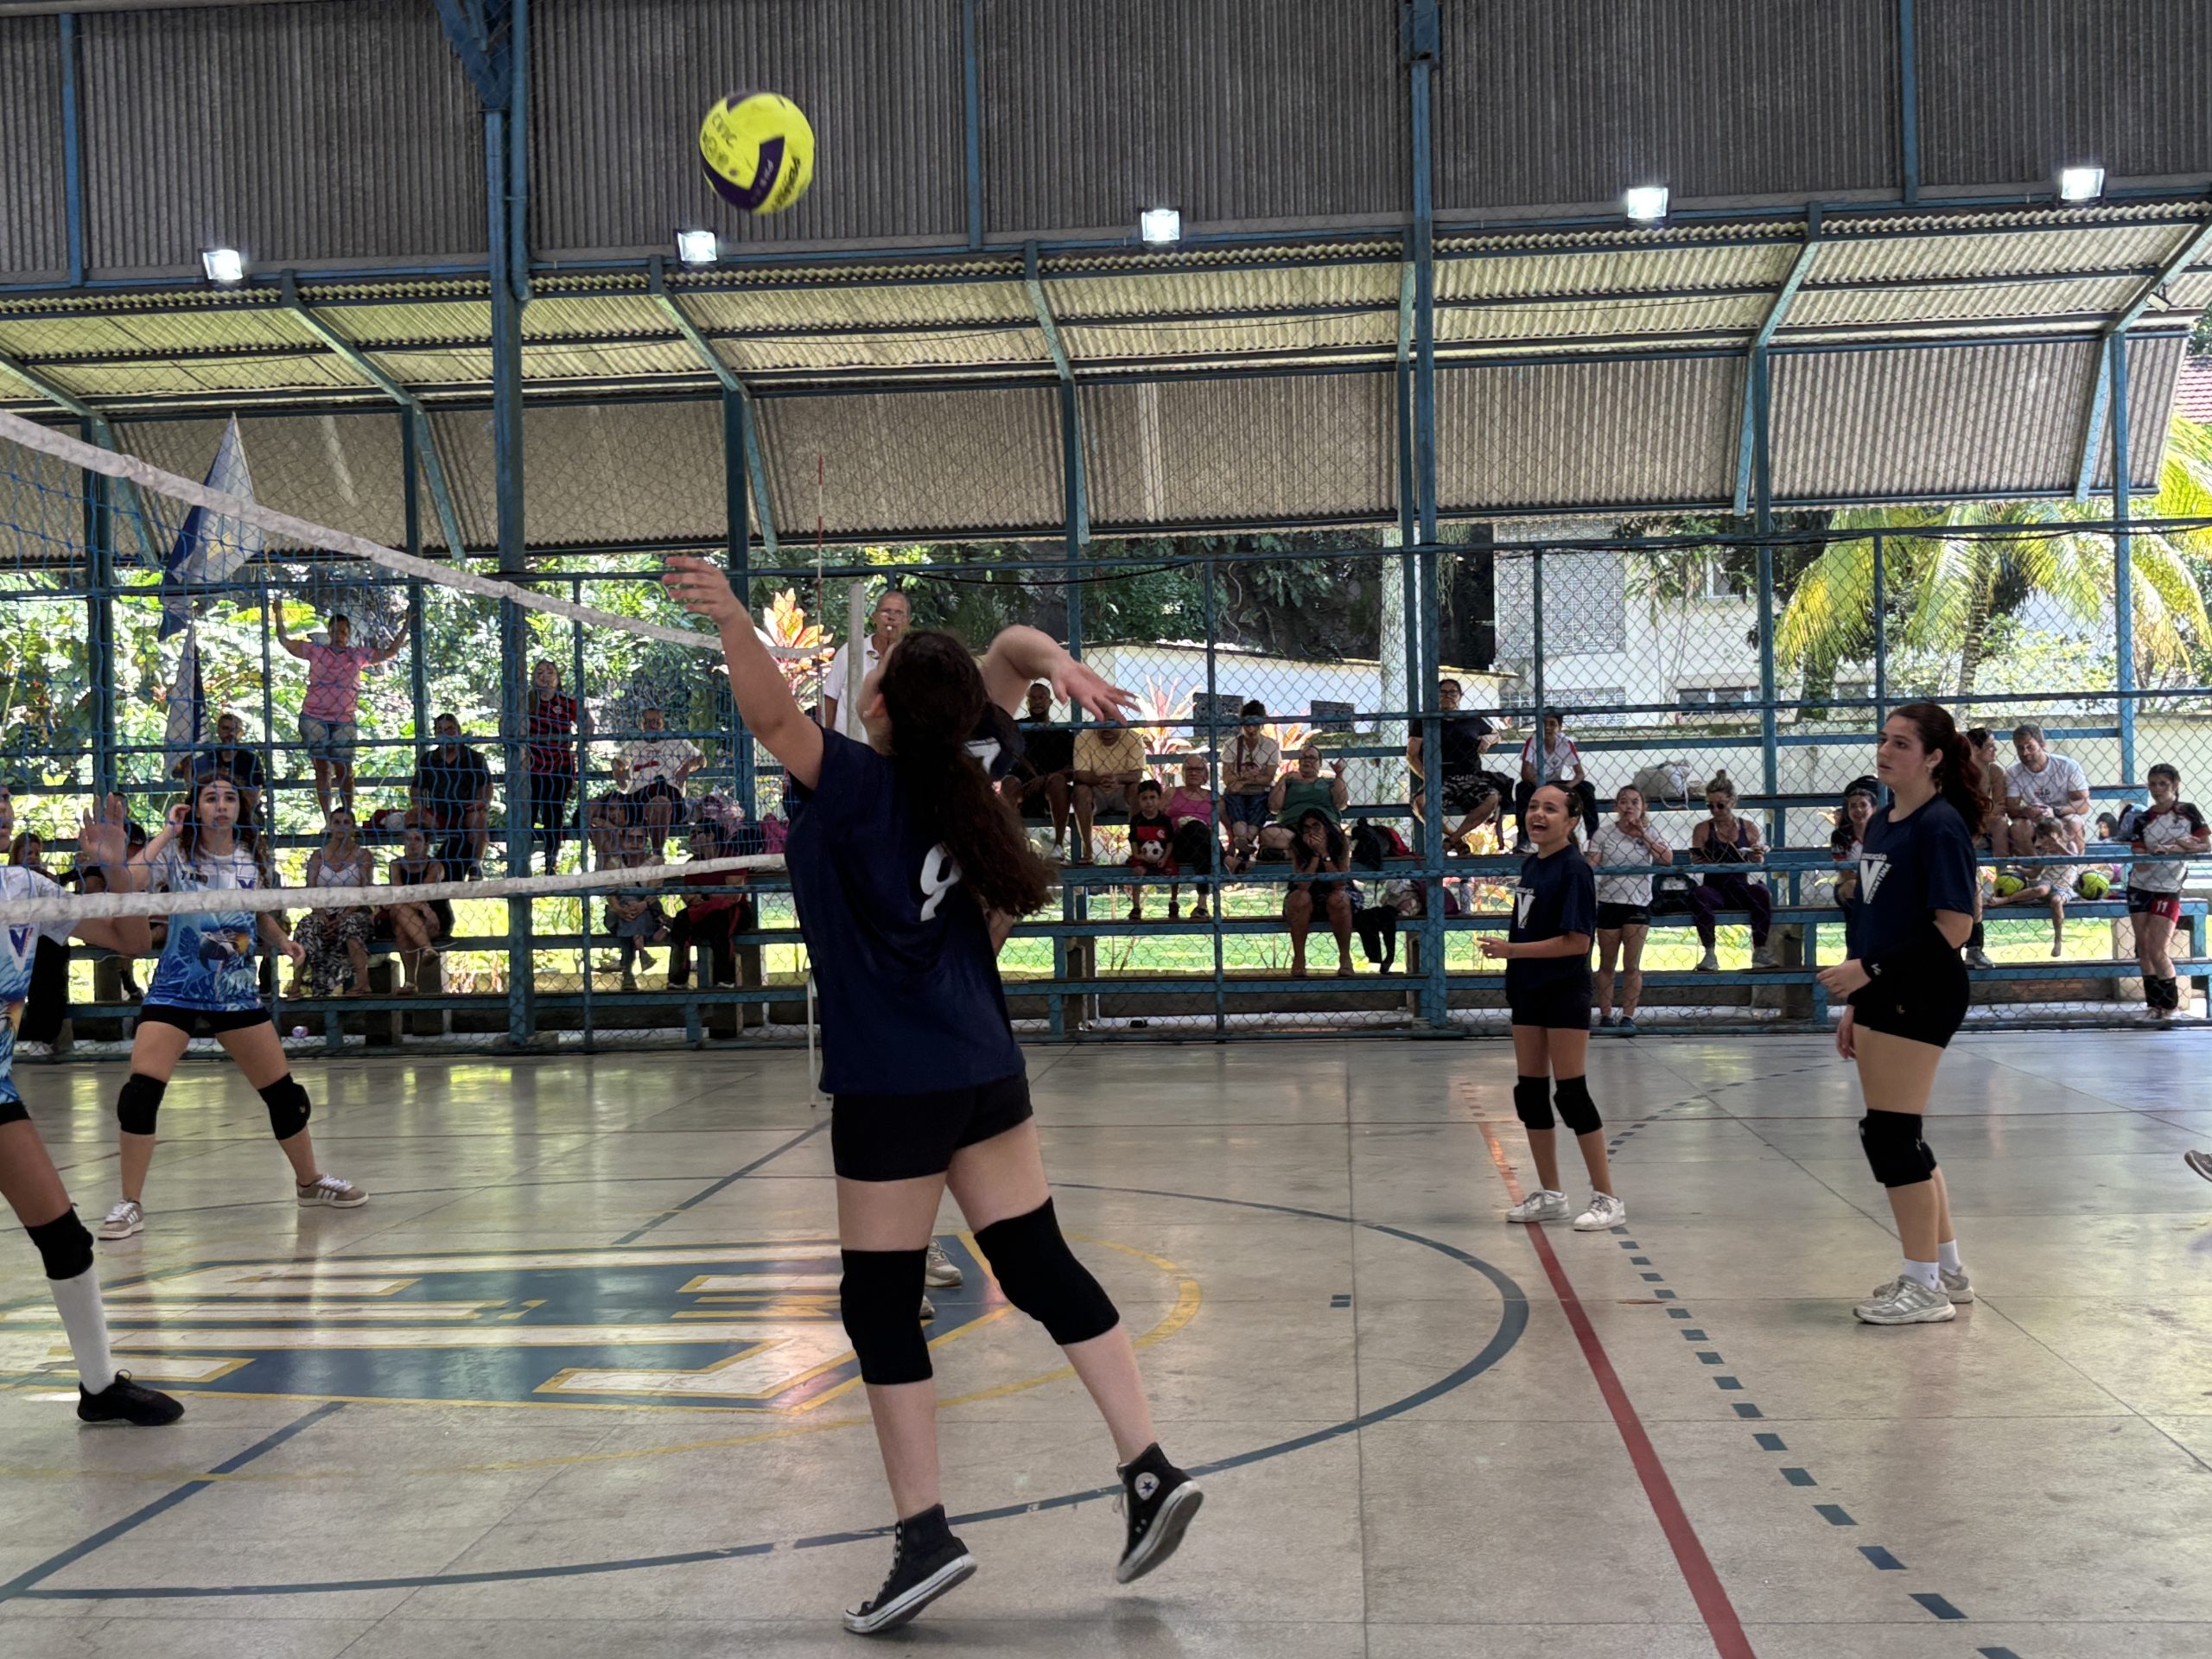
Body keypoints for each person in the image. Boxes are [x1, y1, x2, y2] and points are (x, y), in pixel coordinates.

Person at [663, 554, 1201, 1633]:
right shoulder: (966, 776)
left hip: (893, 1079)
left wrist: (731, 619)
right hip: (982, 1066)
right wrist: (1063, 666)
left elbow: (770, 716)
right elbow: (1009, 652)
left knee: (878, 1304)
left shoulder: (857, 786)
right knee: (1038, 1265)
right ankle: (1146, 1466)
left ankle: (924, 1534)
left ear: (878, 706)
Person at [95, 776, 366, 1243]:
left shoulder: (250, 856)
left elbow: (255, 912)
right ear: (196, 808)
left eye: (228, 798)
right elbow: (129, 880)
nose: (220, 805)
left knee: (285, 1096)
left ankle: (309, 1182)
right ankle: (129, 1203)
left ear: (240, 808)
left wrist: (282, 941)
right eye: (210, 798)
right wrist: (167, 831)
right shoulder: (178, 854)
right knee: (139, 1095)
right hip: (177, 989)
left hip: (235, 992)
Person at [1, 814, 185, 1425]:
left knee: (65, 1239)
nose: (2, 809)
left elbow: (132, 942)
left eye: (5, 797)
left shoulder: (26, 887)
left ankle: (100, 1389)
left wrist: (114, 870)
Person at [1814, 702, 1985, 1326]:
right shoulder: (1883, 822)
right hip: (1884, 989)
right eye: (1883, 740)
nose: (1885, 751)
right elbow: (1872, 916)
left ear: (1934, 757)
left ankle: (1923, 1286)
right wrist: (1860, 998)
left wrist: (1871, 972)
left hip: (1923, 989)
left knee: (1890, 1135)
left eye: (1902, 744)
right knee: (1898, 1132)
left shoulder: (1939, 827)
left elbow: (1957, 926)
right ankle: (1947, 1271)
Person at [1481, 781, 1623, 1230]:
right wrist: (1515, 968)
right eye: (1533, 807)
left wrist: (1512, 951)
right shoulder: (1531, 865)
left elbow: (1577, 942)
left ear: (1572, 820)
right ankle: (1550, 1194)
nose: (1538, 815)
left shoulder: (1574, 869)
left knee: (1571, 1093)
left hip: (1563, 990)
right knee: (1530, 1092)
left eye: (1551, 809)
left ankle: (1607, 1198)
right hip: (1528, 989)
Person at [275, 607, 406, 820]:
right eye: (335, 631)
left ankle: (347, 816)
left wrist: (407, 625)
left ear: (349, 634)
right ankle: (329, 819)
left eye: (343, 632)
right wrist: (278, 613)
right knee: (322, 769)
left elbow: (390, 652)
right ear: (329, 632)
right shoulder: (316, 651)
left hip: (344, 719)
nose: (339, 636)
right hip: (314, 717)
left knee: (344, 768)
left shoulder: (357, 655)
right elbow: (285, 641)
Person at [1587, 784, 1670, 1035]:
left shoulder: (1650, 832)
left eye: (1635, 802)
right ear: (1616, 806)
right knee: (1607, 963)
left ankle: (1628, 1016)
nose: (1629, 807)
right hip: (1610, 902)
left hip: (1637, 903)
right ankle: (1606, 1014)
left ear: (1643, 807)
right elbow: (1591, 864)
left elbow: (1666, 859)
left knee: (1631, 964)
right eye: (1623, 802)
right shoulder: (1604, 833)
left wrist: (1642, 834)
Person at [2126, 764, 2208, 1018]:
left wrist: (2177, 848)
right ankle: (2154, 1005)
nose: (2157, 789)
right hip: (2140, 886)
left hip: (2168, 887)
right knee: (2143, 948)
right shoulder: (2142, 818)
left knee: (2158, 948)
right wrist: (2169, 847)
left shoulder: (2187, 813)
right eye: (2153, 784)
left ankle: (2171, 1005)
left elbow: (2206, 844)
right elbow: (2141, 862)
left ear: (2175, 785)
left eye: (2163, 784)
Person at [1688, 772, 1776, 971]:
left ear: (1732, 802)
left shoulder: (1748, 827)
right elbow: (1696, 858)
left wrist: (1756, 854)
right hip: (1715, 889)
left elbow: (1757, 860)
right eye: (1710, 806)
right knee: (1700, 894)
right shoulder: (1703, 829)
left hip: (1739, 887)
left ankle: (1760, 951)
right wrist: (1709, 860)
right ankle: (1710, 954)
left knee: (1762, 892)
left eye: (1720, 805)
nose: (1715, 810)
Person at [594, 705, 703, 861]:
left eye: (656, 722)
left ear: (663, 723)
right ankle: (608, 861)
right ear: (642, 724)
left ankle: (657, 856)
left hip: (669, 799)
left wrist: (686, 767)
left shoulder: (677, 741)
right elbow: (618, 762)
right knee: (594, 805)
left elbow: (701, 759)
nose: (652, 725)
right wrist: (618, 770)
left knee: (660, 803)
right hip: (638, 799)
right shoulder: (634, 744)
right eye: (648, 722)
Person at [1409, 678, 1509, 851]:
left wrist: (1489, 739)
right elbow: (1412, 754)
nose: (1448, 696)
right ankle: (1454, 838)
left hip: (1470, 777)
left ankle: (1452, 840)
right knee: (1421, 803)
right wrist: (1427, 777)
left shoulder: (1471, 719)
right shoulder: (1425, 721)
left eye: (1453, 692)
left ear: (1460, 696)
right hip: (1440, 777)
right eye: (1443, 692)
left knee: (1492, 798)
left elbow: (1496, 734)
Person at [290, 810, 376, 999]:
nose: (341, 826)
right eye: (336, 822)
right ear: (329, 826)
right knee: (306, 926)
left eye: (346, 822)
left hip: (354, 910)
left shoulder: (363, 855)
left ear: (353, 828)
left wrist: (343, 916)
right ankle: (296, 984)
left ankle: (363, 983)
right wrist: (322, 915)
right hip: (323, 911)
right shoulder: (318, 856)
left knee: (351, 924)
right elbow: (310, 891)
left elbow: (365, 891)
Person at [668, 822, 753, 989]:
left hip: (733, 911)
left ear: (710, 836)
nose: (691, 838)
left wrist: (705, 896)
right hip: (704, 911)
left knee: (718, 920)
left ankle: (725, 979)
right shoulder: (693, 863)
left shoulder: (732, 859)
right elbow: (689, 896)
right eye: (691, 834)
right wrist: (711, 897)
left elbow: (733, 896)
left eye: (696, 834)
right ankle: (678, 979)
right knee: (681, 920)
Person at [410, 714, 494, 880]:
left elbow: (487, 787)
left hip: (467, 811)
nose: (445, 734)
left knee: (479, 820)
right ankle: (417, 865)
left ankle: (476, 866)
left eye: (450, 730)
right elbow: (416, 788)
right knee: (410, 818)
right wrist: (417, 807)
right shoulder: (428, 759)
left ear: (459, 732)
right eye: (440, 730)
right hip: (438, 813)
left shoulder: (474, 757)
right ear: (435, 734)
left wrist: (481, 803)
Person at [522, 659, 588, 874]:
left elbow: (587, 724)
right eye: (540, 672)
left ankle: (551, 863)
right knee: (528, 814)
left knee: (553, 814)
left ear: (557, 678)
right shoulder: (526, 702)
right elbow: (506, 726)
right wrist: (521, 751)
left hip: (560, 766)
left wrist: (580, 747)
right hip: (532, 767)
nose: (545, 676)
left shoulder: (567, 702)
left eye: (550, 672)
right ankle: (522, 863)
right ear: (533, 678)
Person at [822, 589, 913, 741]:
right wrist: (827, 741)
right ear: (874, 617)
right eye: (886, 611)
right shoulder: (850, 651)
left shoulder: (911, 658)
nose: (891, 617)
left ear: (907, 622)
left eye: (899, 613)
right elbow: (830, 698)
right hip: (849, 745)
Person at [378, 824, 449, 995]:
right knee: (399, 906)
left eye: (417, 839)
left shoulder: (435, 866)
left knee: (401, 926)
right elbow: (399, 893)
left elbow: (422, 894)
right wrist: (423, 908)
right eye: (408, 839)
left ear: (426, 844)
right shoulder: (396, 865)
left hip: (433, 918)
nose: (412, 843)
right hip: (419, 911)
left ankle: (410, 982)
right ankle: (427, 949)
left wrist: (424, 908)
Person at [1286, 810, 1357, 978]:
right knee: (1300, 898)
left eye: (1316, 827)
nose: (1311, 832)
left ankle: (1345, 958)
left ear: (1326, 828)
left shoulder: (1340, 841)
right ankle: (1299, 959)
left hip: (1336, 892)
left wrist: (1325, 854)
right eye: (1306, 828)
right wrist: (1315, 855)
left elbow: (1340, 883)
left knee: (1338, 898)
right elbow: (1303, 885)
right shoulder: (1297, 845)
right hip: (1307, 893)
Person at [1986, 818, 2074, 957]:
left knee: (2056, 901)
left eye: (2049, 837)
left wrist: (2059, 847)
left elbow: (2075, 860)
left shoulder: (2070, 845)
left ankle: (2058, 940)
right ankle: (2006, 900)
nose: (2045, 842)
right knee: (2041, 890)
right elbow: (2034, 873)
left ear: (2059, 833)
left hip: (2064, 886)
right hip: (2047, 883)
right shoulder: (2045, 853)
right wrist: (2018, 868)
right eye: (2043, 838)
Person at [1070, 715, 1148, 866]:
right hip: (1095, 789)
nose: (1107, 730)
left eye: (1111, 724)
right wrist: (1100, 780)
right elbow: (1080, 774)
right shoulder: (1084, 737)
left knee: (1136, 789)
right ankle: (1088, 851)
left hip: (1123, 789)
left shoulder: (1133, 737)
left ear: (1120, 723)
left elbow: (1137, 774)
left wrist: (1116, 779)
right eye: (1102, 724)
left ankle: (1136, 849)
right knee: (1080, 791)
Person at [1005, 682, 1073, 852]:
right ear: (1027, 703)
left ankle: (1058, 847)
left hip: (1051, 788)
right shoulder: (1017, 728)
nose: (1037, 702)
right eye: (1033, 698)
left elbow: (1072, 768)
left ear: (1050, 702)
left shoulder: (1062, 733)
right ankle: (1012, 846)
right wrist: (1034, 776)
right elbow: (1013, 752)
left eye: (1041, 697)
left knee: (1058, 781)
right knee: (1009, 783)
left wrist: (1043, 779)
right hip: (1023, 786)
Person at [2004, 722, 2090, 855]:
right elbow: (2011, 808)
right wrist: (2027, 811)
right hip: (2033, 819)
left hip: (2062, 814)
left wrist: (2054, 811)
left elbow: (2084, 804)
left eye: (2030, 747)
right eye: (2020, 748)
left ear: (2042, 744)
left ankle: (2075, 865)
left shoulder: (2067, 765)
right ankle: (2032, 865)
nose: (2025, 753)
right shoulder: (2013, 772)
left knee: (2073, 822)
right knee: (2018, 827)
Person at [603, 826, 673, 991]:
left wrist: (641, 906)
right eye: (630, 839)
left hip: (646, 907)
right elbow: (611, 895)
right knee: (628, 917)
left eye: (640, 839)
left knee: (634, 918)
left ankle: (627, 972)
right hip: (620, 910)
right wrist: (620, 910)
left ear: (646, 842)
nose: (635, 843)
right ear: (622, 841)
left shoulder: (656, 862)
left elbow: (654, 892)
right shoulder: (613, 863)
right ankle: (641, 952)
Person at [173, 710, 266, 826]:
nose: (231, 733)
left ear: (241, 733)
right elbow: (194, 793)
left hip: (244, 812)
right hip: (212, 811)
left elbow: (253, 798)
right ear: (218, 731)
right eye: (226, 728)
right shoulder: (208, 758)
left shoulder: (250, 759)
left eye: (235, 729)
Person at [1513, 714, 1590, 851]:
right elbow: (1525, 773)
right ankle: (1524, 840)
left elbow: (1580, 774)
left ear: (1559, 727)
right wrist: (1542, 787)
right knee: (1522, 788)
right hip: (1536, 782)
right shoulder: (1533, 741)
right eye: (1544, 724)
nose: (1547, 728)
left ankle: (1593, 836)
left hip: (1558, 783)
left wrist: (1566, 789)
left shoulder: (1566, 742)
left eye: (1552, 724)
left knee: (1587, 788)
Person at [1264, 744, 1348, 856]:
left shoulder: (1329, 782)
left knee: (1335, 836)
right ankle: (1313, 850)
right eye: (1303, 758)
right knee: (1267, 833)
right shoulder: (1288, 783)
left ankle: (1294, 852)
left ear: (1320, 763)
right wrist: (1284, 778)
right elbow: (1274, 808)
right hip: (1292, 829)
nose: (1306, 760)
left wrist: (1339, 775)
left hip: (1323, 827)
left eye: (1312, 758)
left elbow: (1341, 804)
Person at [1829, 779, 1880, 957]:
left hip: (1878, 884)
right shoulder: (1840, 836)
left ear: (1873, 808)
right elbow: (1845, 873)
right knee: (1853, 887)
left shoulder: (1882, 833)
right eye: (1853, 806)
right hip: (1849, 886)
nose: (1858, 810)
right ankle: (1854, 949)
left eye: (1863, 805)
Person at [1219, 702, 1281, 849]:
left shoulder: (1271, 745)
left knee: (1259, 804)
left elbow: (1268, 778)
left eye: (1255, 725)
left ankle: (1243, 843)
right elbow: (1227, 778)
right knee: (1236, 804)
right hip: (1238, 792)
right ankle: (1245, 842)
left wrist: (1242, 780)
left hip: (1258, 791)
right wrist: (1255, 777)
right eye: (1247, 725)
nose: (1251, 729)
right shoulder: (1231, 744)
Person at [1164, 755, 1218, 921]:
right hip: (1178, 845)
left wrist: (1231, 843)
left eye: (1198, 769)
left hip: (1204, 848)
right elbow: (1154, 817)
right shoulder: (1172, 793)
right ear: (1183, 772)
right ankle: (1227, 859)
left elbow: (1227, 825)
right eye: (1189, 769)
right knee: (1194, 825)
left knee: (1202, 846)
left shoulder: (1213, 797)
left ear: (1205, 774)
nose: (1194, 773)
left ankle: (1201, 905)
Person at [1124, 779, 1173, 923]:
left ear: (1159, 799)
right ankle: (1136, 906)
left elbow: (1170, 843)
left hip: (1163, 856)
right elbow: (1133, 840)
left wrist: (1164, 858)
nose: (1149, 802)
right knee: (1137, 871)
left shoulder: (1165, 820)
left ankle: (1174, 901)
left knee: (1173, 870)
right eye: (1144, 798)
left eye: (1153, 797)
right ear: (1139, 800)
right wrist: (1138, 855)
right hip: (1142, 856)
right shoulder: (1136, 820)